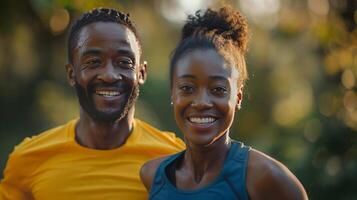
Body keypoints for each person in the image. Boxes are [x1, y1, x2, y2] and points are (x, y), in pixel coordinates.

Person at [0, 8, 184, 199]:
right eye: (93, 62)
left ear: (141, 73)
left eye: (124, 62)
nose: (109, 75)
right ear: (71, 74)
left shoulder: (174, 161)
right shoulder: (29, 159)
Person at [140, 6, 308, 200]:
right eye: (187, 88)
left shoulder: (266, 177)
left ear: (238, 97)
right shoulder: (152, 176)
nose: (201, 102)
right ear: (172, 94)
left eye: (218, 89)